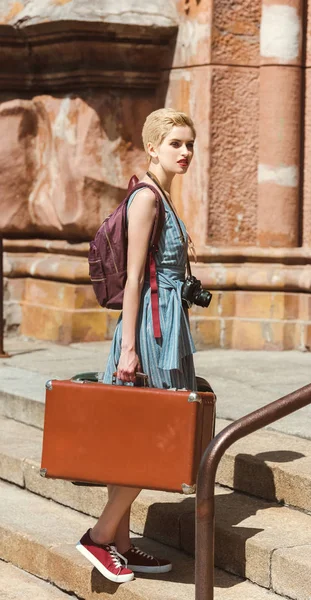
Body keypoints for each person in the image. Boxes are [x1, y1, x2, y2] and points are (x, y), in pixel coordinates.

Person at [75, 108, 198, 583]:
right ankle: (100, 537)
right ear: (152, 148)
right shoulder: (146, 199)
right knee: (155, 435)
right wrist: (129, 349)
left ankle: (123, 544)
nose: (185, 152)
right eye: (175, 144)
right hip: (149, 331)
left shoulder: (162, 196)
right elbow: (131, 282)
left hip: (164, 324)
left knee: (138, 435)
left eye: (189, 144)